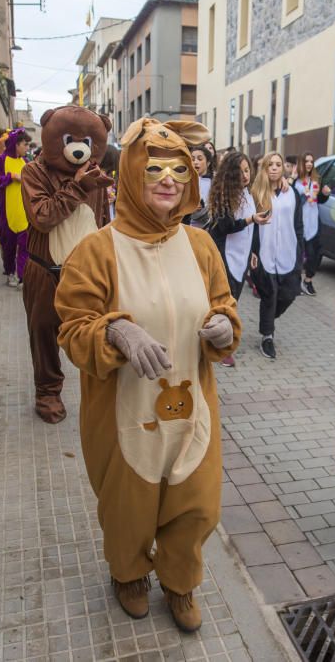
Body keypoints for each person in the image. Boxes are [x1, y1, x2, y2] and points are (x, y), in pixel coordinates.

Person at [55, 118, 240, 633]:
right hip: (124, 416)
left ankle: (179, 582)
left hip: (192, 407)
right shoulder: (95, 251)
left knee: (198, 505)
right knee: (128, 509)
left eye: (179, 169)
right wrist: (117, 333)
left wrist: (226, 326)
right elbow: (72, 328)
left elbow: (223, 304)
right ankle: (129, 572)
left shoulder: (202, 246)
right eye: (153, 167)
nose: (168, 179)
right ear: (130, 175)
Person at [20, 105, 113, 424]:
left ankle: (101, 392)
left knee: (93, 333)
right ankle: (47, 392)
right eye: (72, 139)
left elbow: (102, 222)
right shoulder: (35, 172)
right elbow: (43, 217)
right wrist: (78, 187)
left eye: (87, 141)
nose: (79, 148)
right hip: (45, 269)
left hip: (87, 272)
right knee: (43, 332)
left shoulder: (96, 174)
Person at [207, 152, 270, 367]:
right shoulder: (223, 194)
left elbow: (251, 230)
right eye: (240, 171)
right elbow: (225, 227)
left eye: (247, 169)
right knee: (226, 304)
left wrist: (253, 252)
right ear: (230, 173)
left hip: (242, 258)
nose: (245, 175)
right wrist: (251, 218)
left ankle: (220, 341)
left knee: (232, 302)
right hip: (224, 256)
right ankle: (223, 347)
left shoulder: (247, 193)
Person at [250, 152, 303, 359]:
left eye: (278, 164)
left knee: (289, 294)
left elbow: (298, 224)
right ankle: (267, 336)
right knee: (269, 295)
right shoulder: (255, 193)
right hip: (264, 252)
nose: (274, 168)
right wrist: (252, 252)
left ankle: (269, 319)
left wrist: (300, 251)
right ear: (264, 168)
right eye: (269, 164)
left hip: (288, 252)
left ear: (283, 168)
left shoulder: (292, 193)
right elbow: (251, 226)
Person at [0, 128, 32, 287]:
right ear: (16, 144)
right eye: (25, 144)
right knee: (8, 246)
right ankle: (10, 272)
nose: (27, 148)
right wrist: (11, 177)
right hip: (7, 213)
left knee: (24, 246)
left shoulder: (26, 163)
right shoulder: (0, 161)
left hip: (23, 212)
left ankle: (21, 276)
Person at [293, 152, 331, 296]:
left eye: (311, 161)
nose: (309, 163)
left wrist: (325, 194)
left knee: (315, 254)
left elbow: (319, 199)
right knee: (297, 254)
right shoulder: (295, 181)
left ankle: (307, 281)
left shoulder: (316, 180)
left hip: (314, 222)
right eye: (306, 161)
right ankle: (295, 282)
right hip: (299, 223)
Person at [185, 145, 214, 228]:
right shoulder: (185, 181)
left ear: (208, 163)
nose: (195, 162)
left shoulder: (215, 182)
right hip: (188, 225)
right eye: (193, 159)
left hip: (209, 227)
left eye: (200, 159)